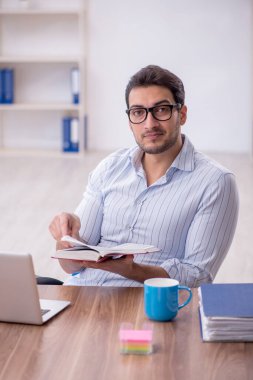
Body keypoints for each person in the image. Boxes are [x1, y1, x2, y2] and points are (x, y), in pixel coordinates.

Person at [49, 64, 239, 288]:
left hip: (149, 307)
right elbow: (74, 267)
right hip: (82, 300)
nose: (150, 124)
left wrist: (133, 271)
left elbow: (198, 276)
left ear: (182, 114)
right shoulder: (109, 168)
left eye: (161, 110)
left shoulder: (215, 182)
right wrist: (65, 241)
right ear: (130, 121)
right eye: (138, 112)